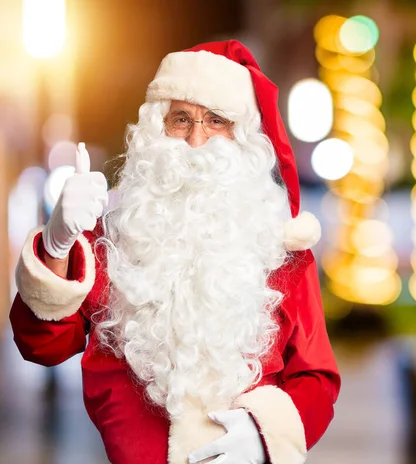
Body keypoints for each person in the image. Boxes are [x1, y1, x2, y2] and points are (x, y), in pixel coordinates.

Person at [10, 40, 340, 464]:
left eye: (216, 121)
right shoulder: (114, 239)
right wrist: (57, 243)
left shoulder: (283, 252)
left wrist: (266, 435)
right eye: (181, 119)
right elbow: (42, 346)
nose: (196, 139)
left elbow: (317, 377)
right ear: (156, 129)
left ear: (243, 139)